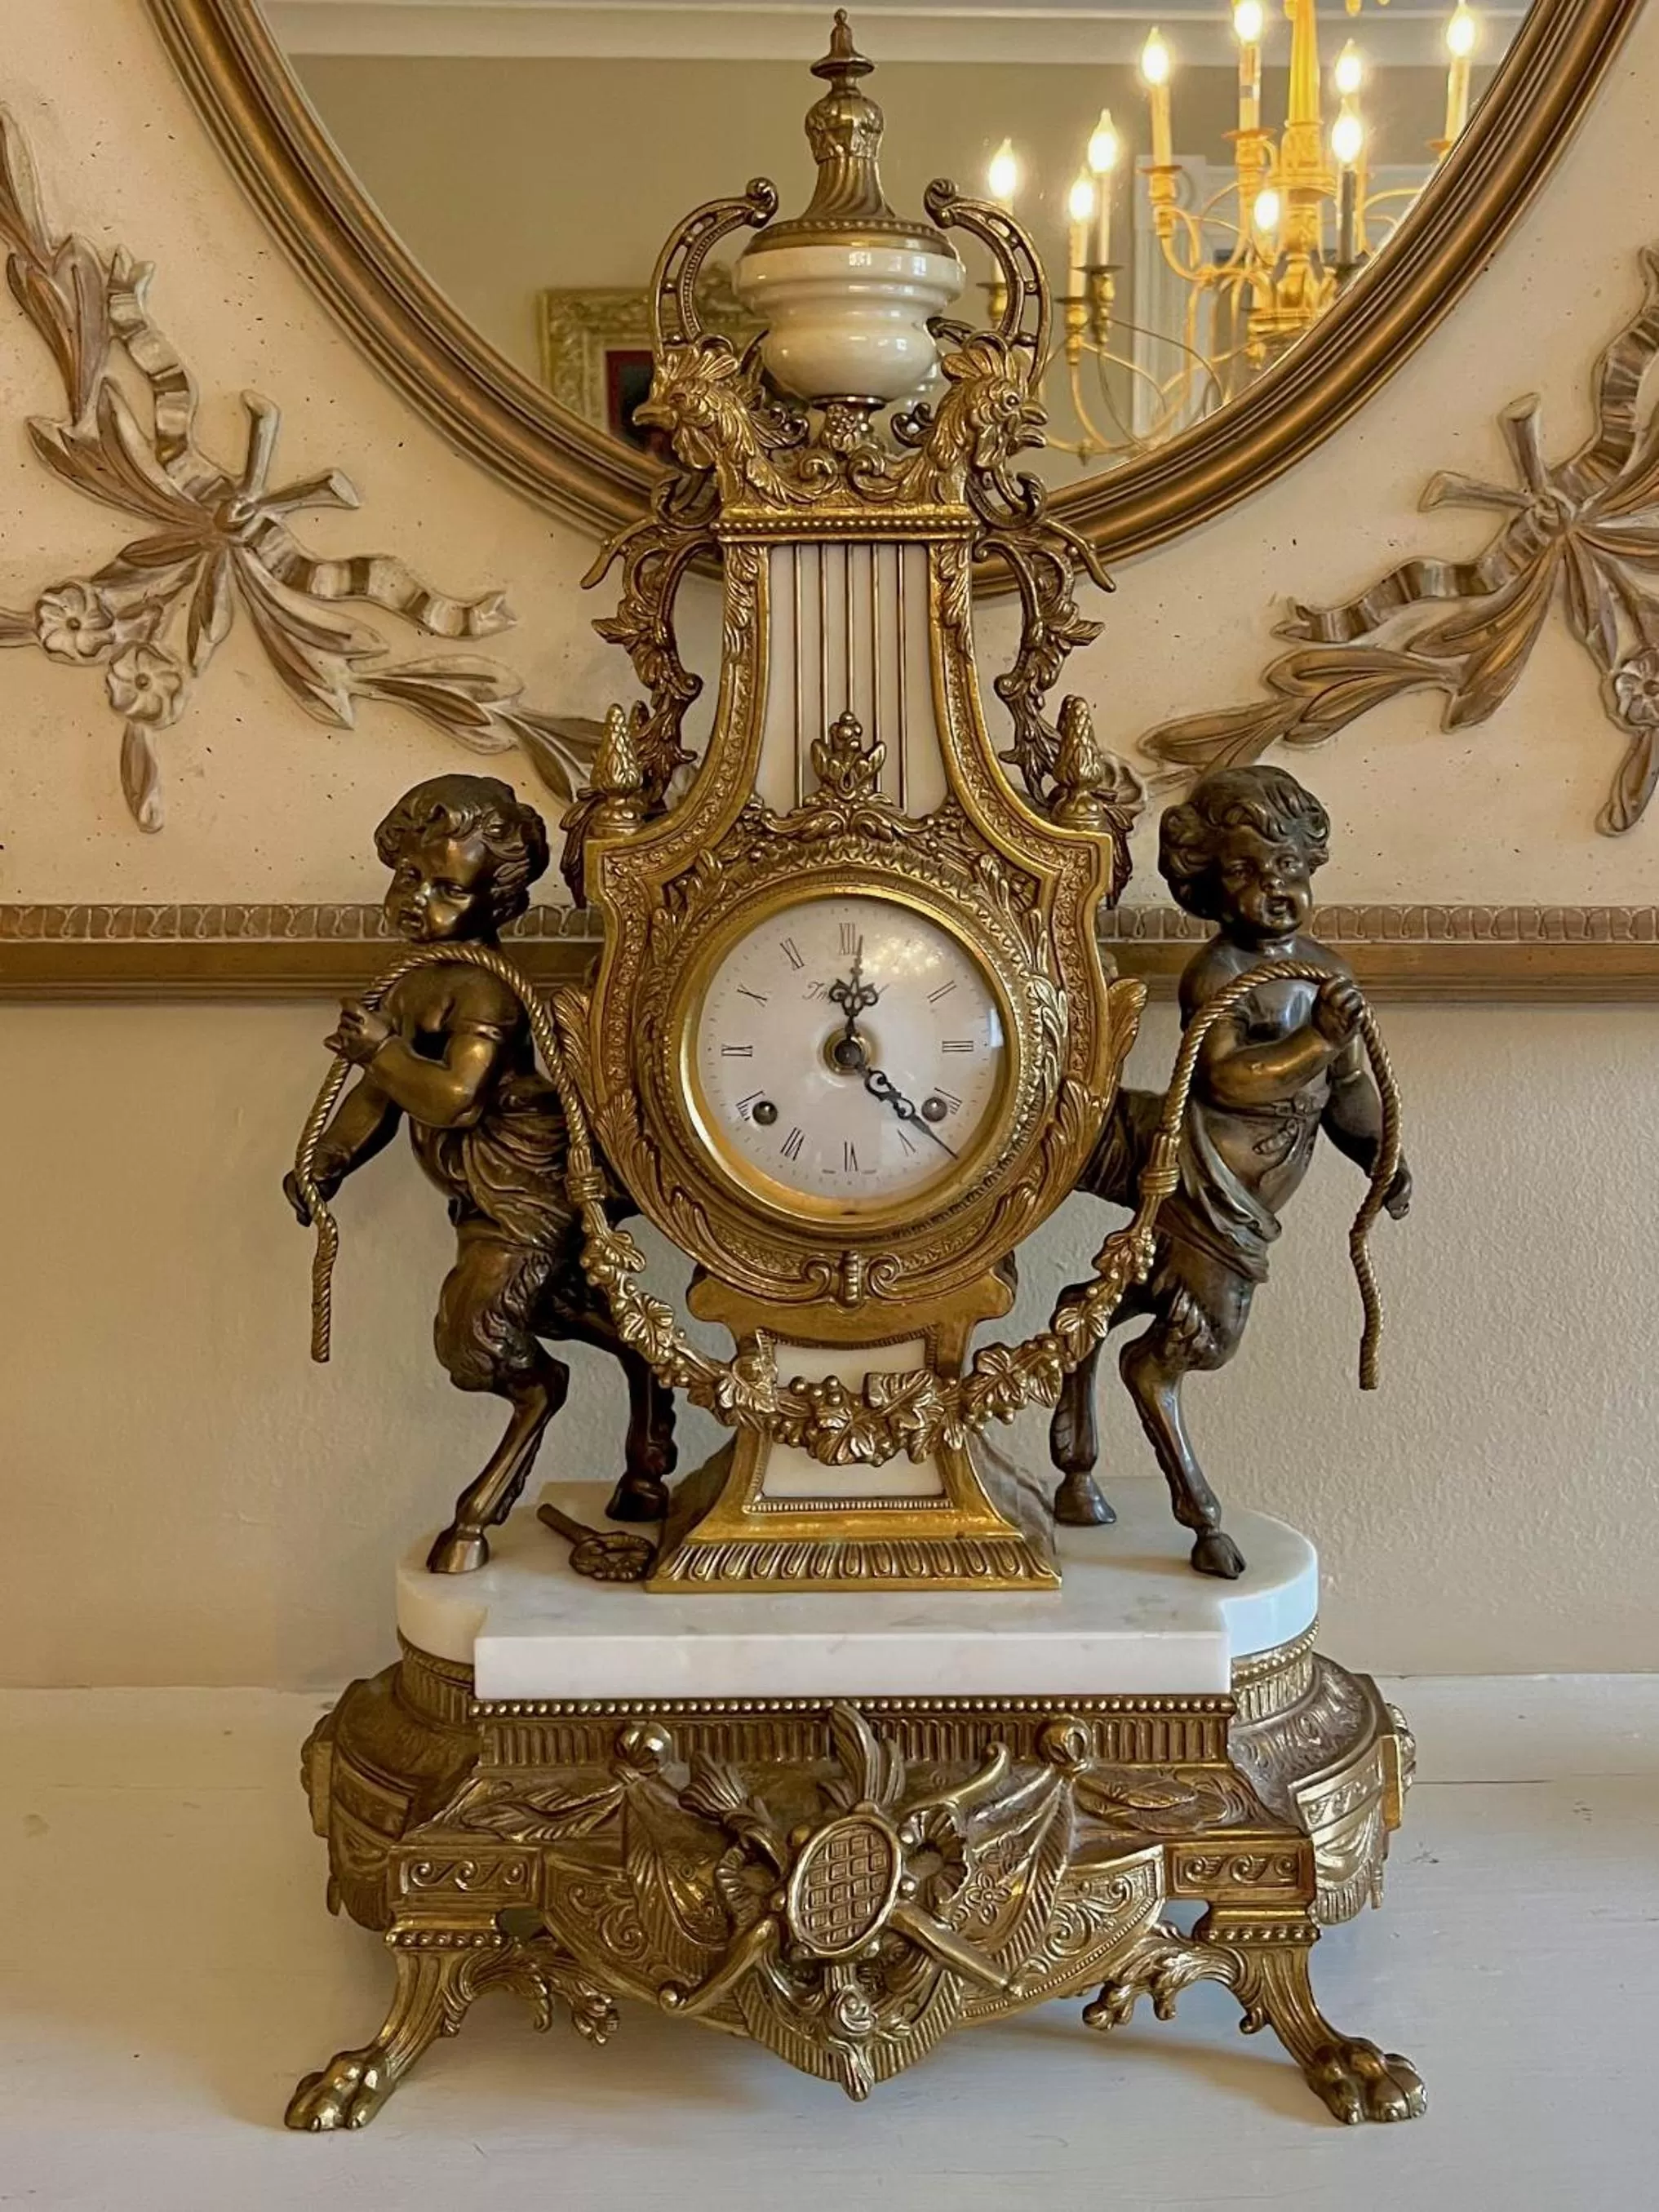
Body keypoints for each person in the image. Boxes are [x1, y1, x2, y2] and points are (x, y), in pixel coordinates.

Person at [284, 773, 674, 1573]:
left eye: (445, 890)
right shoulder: (417, 977)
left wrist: (379, 1051)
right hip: (479, 1200)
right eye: (409, 877)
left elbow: (454, 1096)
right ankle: (643, 1375)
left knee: (474, 1342)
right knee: (558, 1309)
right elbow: (381, 1097)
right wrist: (329, 1159)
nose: (416, 900)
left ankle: (496, 1480)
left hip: (520, 1194)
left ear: (492, 903)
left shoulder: (481, 989)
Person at [1050, 765, 1411, 1577]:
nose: (1272, 887)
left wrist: (1380, 1157)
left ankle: (1078, 1371)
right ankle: (1196, 1509)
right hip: (1209, 1186)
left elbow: (1345, 1087)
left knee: (1145, 1310)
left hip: (1247, 1197)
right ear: (1209, 885)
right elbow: (1227, 1078)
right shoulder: (1216, 974)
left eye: (1285, 866)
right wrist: (1316, 1037)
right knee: (1188, 1351)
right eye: (1245, 871)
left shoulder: (1320, 970)